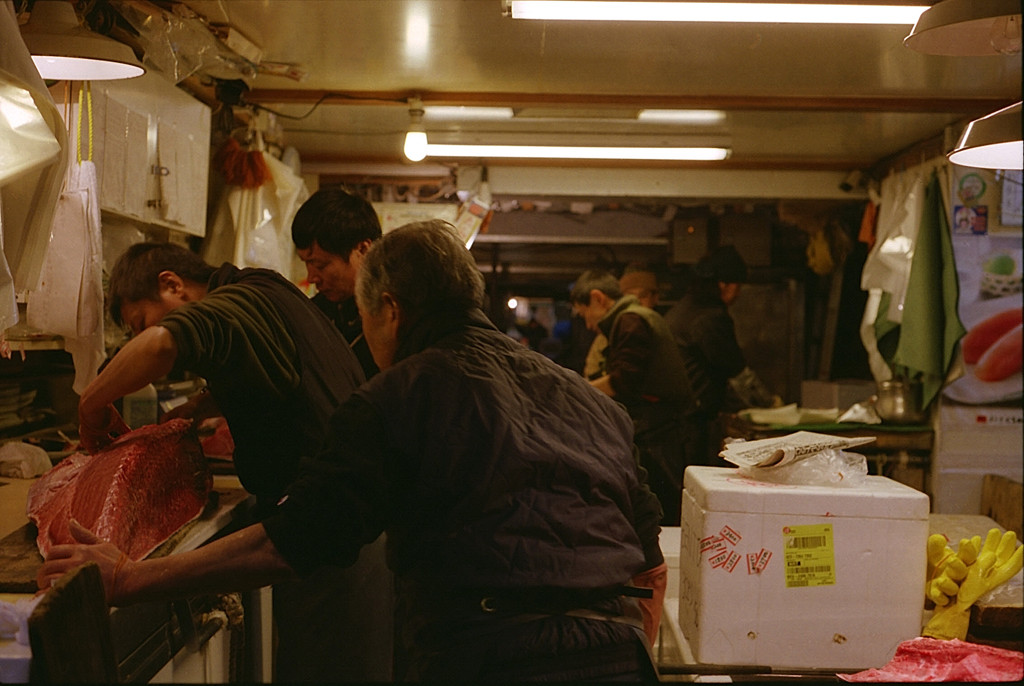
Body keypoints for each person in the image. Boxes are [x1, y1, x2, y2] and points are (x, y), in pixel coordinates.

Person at [42, 221, 667, 683]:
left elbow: (289, 541)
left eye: (366, 318)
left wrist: (127, 577)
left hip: (490, 659)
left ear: (390, 310)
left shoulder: (398, 397)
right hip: (617, 657)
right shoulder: (590, 401)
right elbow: (650, 562)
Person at [78, 242, 393, 682]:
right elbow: (281, 373)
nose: (138, 335)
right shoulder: (266, 290)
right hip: (354, 537)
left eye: (139, 321)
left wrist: (90, 405)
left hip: (328, 543)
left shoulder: (235, 301)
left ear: (172, 284)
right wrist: (204, 405)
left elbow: (163, 344)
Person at [571, 269, 694, 526]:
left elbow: (622, 381)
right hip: (659, 428)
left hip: (658, 432)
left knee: (663, 509)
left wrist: (574, 391)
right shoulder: (629, 319)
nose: (588, 324)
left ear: (598, 298)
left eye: (584, 314)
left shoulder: (630, 321)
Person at [663, 245, 780, 467]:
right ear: (723, 285)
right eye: (738, 287)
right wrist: (771, 409)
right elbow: (736, 372)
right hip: (692, 424)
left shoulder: (686, 308)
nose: (738, 294)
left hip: (677, 421)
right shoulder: (710, 318)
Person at [291, 186, 383, 379]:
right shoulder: (313, 315)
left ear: (363, 249)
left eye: (320, 265)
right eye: (307, 263)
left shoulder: (395, 315)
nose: (311, 278)